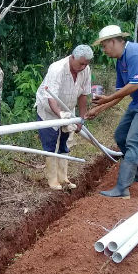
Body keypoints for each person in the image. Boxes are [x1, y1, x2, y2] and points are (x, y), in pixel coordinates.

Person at [85, 25, 138, 198]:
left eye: (104, 46)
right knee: (121, 136)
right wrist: (99, 109)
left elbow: (134, 85)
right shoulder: (120, 61)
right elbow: (121, 93)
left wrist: (106, 99)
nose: (103, 50)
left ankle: (122, 188)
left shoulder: (134, 53)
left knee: (133, 141)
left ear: (114, 42)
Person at [35, 45, 93, 190]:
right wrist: (60, 115)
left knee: (65, 143)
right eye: (81, 63)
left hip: (68, 111)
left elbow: (83, 95)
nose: (83, 67)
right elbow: (51, 98)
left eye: (86, 64)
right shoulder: (57, 69)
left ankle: (64, 178)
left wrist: (81, 118)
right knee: (51, 144)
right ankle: (52, 180)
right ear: (72, 57)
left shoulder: (85, 70)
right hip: (49, 111)